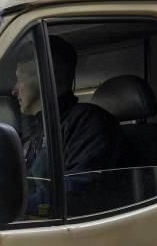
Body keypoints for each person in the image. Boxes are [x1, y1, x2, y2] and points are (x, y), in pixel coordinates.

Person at [15, 35, 122, 178]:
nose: (14, 89)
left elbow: (77, 190)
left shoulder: (87, 123)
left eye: (19, 78)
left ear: (46, 75)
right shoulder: (36, 130)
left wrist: (20, 200)